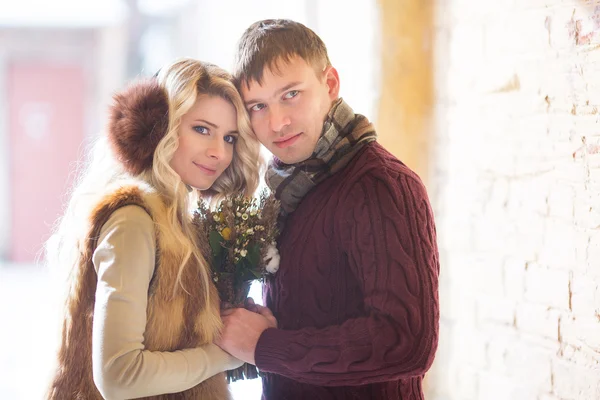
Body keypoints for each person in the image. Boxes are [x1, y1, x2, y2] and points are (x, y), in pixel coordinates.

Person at [216, 19, 440, 399]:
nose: (277, 122)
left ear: (330, 84)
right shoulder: (286, 189)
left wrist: (267, 347)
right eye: (258, 106)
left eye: (291, 94)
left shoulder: (379, 185)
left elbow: (407, 341)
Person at [45, 58, 262, 400]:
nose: (219, 152)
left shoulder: (178, 223)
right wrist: (226, 354)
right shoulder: (133, 220)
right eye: (202, 129)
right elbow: (119, 376)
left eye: (230, 137)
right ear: (162, 127)